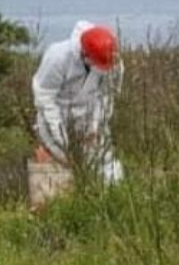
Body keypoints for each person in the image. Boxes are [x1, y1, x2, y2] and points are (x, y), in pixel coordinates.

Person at [32, 21, 124, 183]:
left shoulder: (112, 60)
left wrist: (95, 127)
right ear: (85, 55)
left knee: (105, 161)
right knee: (58, 164)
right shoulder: (57, 57)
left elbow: (107, 96)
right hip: (56, 115)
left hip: (90, 115)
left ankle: (110, 198)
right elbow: (45, 97)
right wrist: (60, 140)